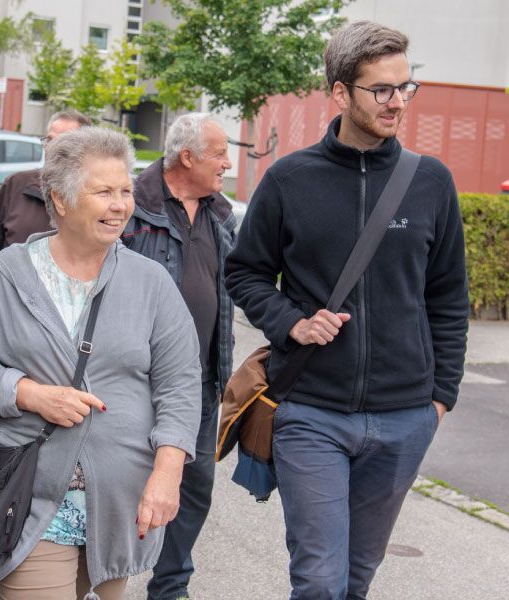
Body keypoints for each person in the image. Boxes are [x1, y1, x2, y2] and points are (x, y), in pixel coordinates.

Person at [224, 21, 469, 600]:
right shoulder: (289, 179)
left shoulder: (431, 182)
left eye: (406, 87)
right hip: (312, 412)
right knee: (318, 577)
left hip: (406, 416)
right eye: (381, 89)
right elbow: (245, 271)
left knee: (356, 577)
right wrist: (292, 322)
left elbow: (448, 296)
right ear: (340, 92)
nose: (397, 102)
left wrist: (441, 398)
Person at [0, 127, 202, 600]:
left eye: (125, 191)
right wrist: (29, 393)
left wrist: (168, 472)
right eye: (103, 191)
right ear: (61, 201)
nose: (120, 204)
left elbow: (180, 382)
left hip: (119, 499)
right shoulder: (9, 273)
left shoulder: (151, 282)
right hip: (31, 491)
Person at [121, 112, 236, 600]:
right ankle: (101, 580)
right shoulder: (130, 206)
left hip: (203, 382)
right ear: (187, 157)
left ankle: (170, 587)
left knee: (194, 490)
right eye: (220, 154)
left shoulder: (219, 214)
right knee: (119, 486)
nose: (228, 164)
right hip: (135, 382)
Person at [0, 109, 91, 300]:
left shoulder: (93, 199)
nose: (51, 147)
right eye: (49, 140)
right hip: (6, 313)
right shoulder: (17, 185)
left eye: (63, 141)